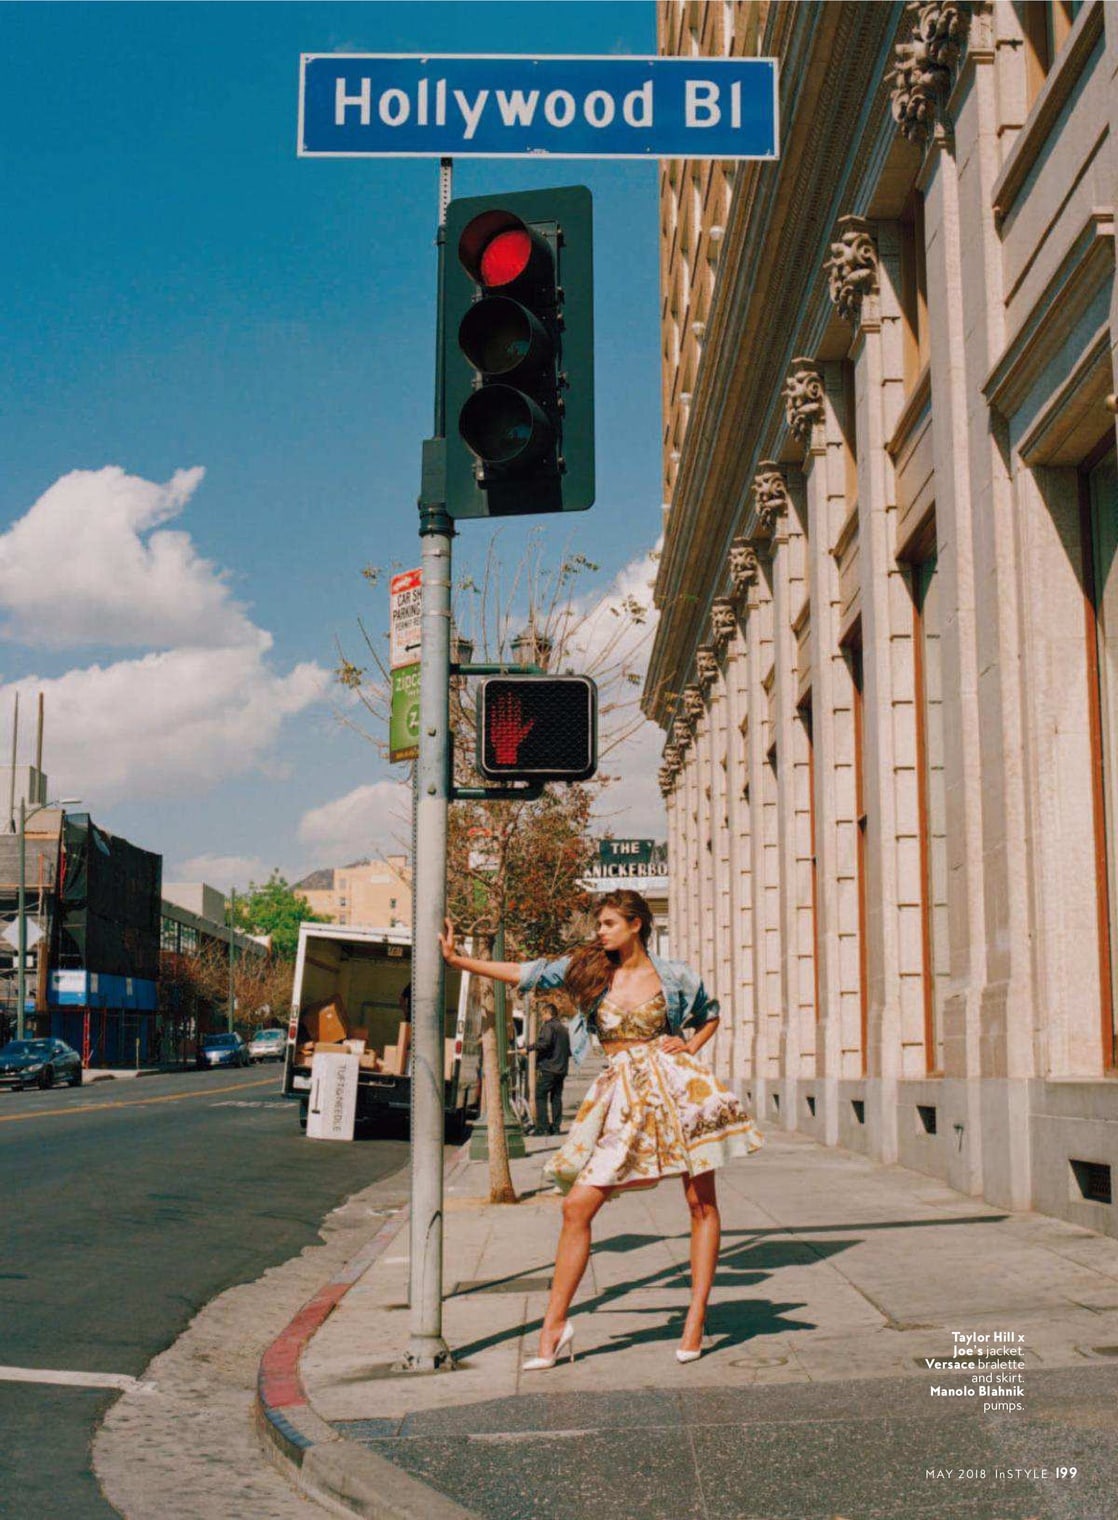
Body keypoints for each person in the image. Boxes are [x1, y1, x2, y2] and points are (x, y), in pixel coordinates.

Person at [439, 888, 763, 1371]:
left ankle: (696, 1316)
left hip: (677, 1092)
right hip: (621, 1100)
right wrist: (461, 962)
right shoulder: (589, 969)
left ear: (636, 924)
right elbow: (525, 973)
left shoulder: (674, 976)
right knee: (576, 1206)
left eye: (609, 923)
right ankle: (554, 1324)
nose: (600, 931)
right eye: (600, 923)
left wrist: (688, 1045)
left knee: (700, 1202)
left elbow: (711, 1013)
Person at [528, 998, 570, 1136]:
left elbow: (545, 1043)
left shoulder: (548, 1026)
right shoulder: (563, 1028)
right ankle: (556, 1127)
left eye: (543, 1014)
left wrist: (529, 1048)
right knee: (556, 1098)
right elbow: (567, 1051)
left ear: (548, 1013)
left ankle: (543, 1127)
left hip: (549, 1068)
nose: (541, 1017)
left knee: (540, 1095)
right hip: (561, 1069)